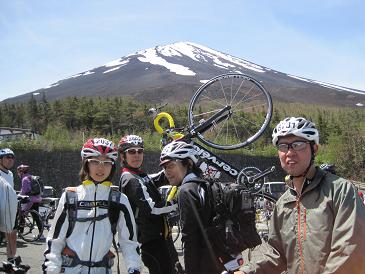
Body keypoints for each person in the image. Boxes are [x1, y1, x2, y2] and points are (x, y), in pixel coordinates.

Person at [243, 117, 365, 274]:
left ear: (314, 149)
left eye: (298, 145)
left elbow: (350, 250)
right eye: (283, 146)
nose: (289, 152)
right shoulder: (283, 203)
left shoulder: (340, 191)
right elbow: (276, 253)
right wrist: (246, 271)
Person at [43, 138, 142, 274]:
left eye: (106, 162)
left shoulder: (119, 200)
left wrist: (134, 267)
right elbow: (55, 240)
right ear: (86, 164)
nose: (101, 168)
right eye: (95, 161)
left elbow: (129, 242)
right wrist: (51, 269)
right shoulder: (70, 197)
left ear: (112, 166)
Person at [160, 140, 235, 274]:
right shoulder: (207, 184)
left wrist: (190, 270)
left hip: (204, 264)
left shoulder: (185, 190)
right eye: (164, 167)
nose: (166, 172)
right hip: (221, 257)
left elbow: (189, 237)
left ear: (188, 163)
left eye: (170, 165)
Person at [118, 134, 180, 274]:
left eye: (140, 151)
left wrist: (173, 160)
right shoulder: (130, 179)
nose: (137, 155)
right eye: (132, 152)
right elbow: (151, 210)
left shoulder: (139, 175)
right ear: (123, 156)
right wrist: (176, 203)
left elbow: (158, 178)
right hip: (150, 242)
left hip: (160, 237)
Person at [0, 148, 18, 262]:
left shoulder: (10, 174)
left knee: (12, 235)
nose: (10, 160)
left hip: (10, 209)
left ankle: (11, 260)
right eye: (7, 157)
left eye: (12, 157)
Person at [17, 164, 44, 239]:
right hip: (37, 199)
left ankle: (21, 232)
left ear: (21, 172)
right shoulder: (31, 177)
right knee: (36, 217)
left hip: (30, 200)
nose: (18, 174)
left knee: (21, 213)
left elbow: (24, 191)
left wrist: (18, 195)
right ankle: (41, 235)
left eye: (18, 172)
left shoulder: (25, 179)